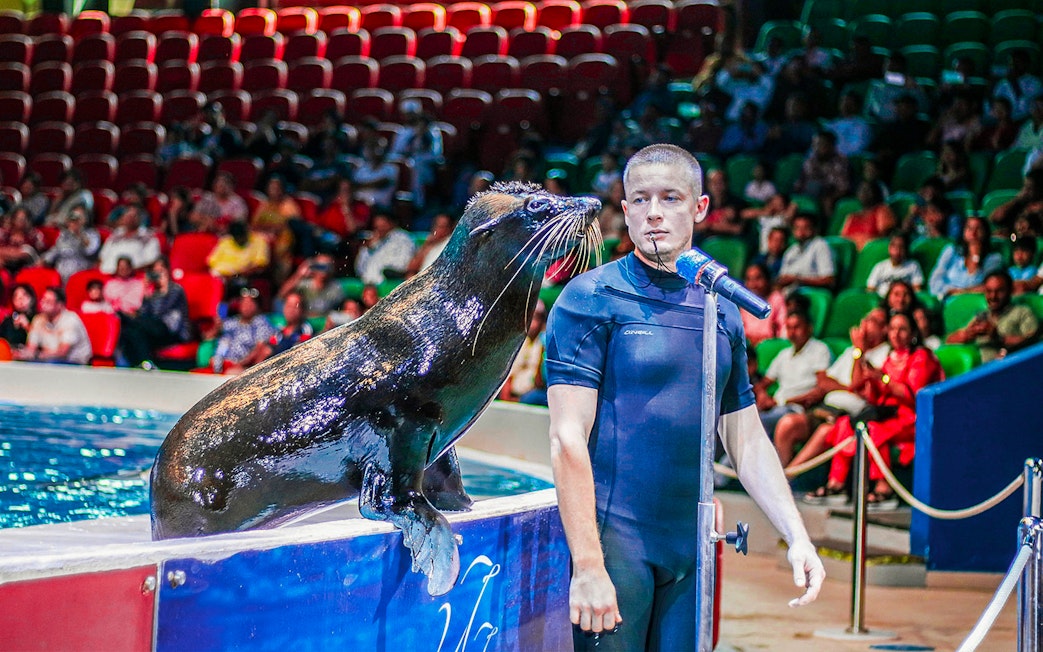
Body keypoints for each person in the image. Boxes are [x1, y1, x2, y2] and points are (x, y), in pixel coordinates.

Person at [545, 144, 824, 650]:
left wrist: (796, 533)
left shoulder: (722, 307)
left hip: (692, 550)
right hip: (616, 547)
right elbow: (567, 439)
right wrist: (587, 565)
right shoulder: (589, 299)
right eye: (640, 199)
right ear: (623, 210)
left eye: (671, 198)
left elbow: (745, 436)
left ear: (700, 208)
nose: (654, 212)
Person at [798, 311, 943, 509]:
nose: (896, 334)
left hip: (912, 418)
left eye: (902, 329)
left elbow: (912, 395)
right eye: (893, 329)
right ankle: (836, 485)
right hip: (887, 414)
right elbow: (864, 391)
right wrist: (866, 365)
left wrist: (882, 378)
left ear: (912, 333)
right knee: (843, 425)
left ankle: (885, 489)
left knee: (873, 429)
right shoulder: (889, 359)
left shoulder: (921, 357)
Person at [773, 308, 890, 466]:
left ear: (884, 329)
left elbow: (860, 385)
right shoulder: (850, 350)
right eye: (865, 319)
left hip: (850, 416)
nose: (864, 324)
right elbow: (824, 382)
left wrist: (860, 352)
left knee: (825, 431)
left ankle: (786, 478)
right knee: (787, 424)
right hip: (825, 407)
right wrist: (849, 388)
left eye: (872, 321)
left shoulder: (885, 353)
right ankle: (782, 477)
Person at [754, 310, 833, 438]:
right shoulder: (784, 354)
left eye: (797, 327)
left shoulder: (820, 350)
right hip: (775, 407)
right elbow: (763, 384)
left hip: (796, 409)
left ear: (809, 328)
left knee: (758, 422)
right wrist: (763, 396)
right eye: (789, 328)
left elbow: (820, 390)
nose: (792, 332)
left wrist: (780, 401)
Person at [946, 270, 1039, 363]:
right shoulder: (982, 316)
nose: (993, 296)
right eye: (989, 291)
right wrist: (968, 334)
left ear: (1010, 291)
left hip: (1012, 365)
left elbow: (1033, 342)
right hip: (983, 370)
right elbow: (948, 341)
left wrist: (998, 337)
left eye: (999, 291)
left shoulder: (1022, 312)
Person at [117, 258, 190, 369]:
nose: (158, 275)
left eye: (161, 271)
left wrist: (164, 289)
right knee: (131, 330)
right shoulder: (153, 292)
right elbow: (144, 313)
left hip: (172, 331)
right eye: (155, 272)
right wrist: (146, 293)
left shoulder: (176, 289)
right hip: (153, 329)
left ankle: (145, 362)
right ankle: (144, 363)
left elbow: (161, 313)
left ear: (167, 271)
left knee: (135, 323)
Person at [928, 216, 1004, 300]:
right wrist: (950, 291)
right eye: (969, 228)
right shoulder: (951, 251)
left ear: (985, 232)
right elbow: (934, 282)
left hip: (975, 302)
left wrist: (976, 258)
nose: (973, 233)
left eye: (978, 229)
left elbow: (986, 287)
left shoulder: (994, 259)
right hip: (948, 300)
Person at [13, 287, 92, 365]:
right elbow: (31, 348)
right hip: (49, 360)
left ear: (60, 305)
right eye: (43, 300)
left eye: (48, 302)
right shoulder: (38, 319)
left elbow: (62, 352)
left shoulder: (71, 319)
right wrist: (21, 354)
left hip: (75, 363)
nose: (43, 304)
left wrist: (37, 355)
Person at [209, 286, 276, 374]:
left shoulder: (261, 322)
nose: (246, 306)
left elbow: (259, 349)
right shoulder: (232, 321)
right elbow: (210, 336)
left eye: (250, 303)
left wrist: (241, 364)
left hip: (243, 367)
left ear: (257, 306)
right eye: (244, 302)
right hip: (222, 363)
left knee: (231, 373)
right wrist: (216, 328)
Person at [501, 300, 547, 405]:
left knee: (535, 398)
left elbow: (539, 381)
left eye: (536, 318)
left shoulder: (543, 342)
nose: (532, 322)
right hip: (513, 393)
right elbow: (509, 374)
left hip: (532, 393)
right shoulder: (518, 341)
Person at [776, 214, 835, 291]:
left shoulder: (820, 245)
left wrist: (798, 280)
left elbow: (829, 280)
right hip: (788, 292)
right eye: (797, 228)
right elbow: (782, 277)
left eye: (805, 228)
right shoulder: (791, 251)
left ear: (814, 229)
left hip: (809, 293)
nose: (801, 232)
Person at [97, 204, 162, 274]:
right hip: (107, 275)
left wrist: (125, 272)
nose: (129, 218)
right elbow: (102, 256)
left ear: (139, 219)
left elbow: (152, 261)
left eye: (133, 216)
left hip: (133, 277)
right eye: (127, 215)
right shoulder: (115, 235)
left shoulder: (148, 237)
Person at [41, 207, 100, 283]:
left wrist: (79, 234)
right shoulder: (64, 235)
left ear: (84, 219)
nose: (75, 222)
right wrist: (45, 259)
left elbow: (90, 251)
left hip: (80, 271)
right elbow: (56, 249)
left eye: (79, 218)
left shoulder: (92, 234)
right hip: (61, 271)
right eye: (73, 219)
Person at [354, 212, 416, 285]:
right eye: (377, 227)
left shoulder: (403, 239)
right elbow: (359, 269)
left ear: (391, 224)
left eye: (383, 226)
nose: (380, 230)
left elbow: (402, 265)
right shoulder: (373, 241)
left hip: (389, 282)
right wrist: (369, 249)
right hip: (367, 283)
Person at [277, 254, 345, 319]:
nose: (324, 271)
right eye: (321, 266)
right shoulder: (305, 285)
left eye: (328, 266)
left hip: (326, 322)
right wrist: (299, 275)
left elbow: (342, 307)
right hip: (305, 321)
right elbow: (282, 294)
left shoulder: (335, 286)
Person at [740, 262, 787, 347]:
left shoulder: (776, 299)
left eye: (758, 278)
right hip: (747, 347)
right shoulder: (746, 300)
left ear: (767, 279)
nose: (753, 284)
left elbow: (783, 333)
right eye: (749, 279)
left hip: (768, 347)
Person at [841, 181, 897, 251]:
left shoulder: (882, 210)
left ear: (876, 193)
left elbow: (886, 237)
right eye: (861, 190)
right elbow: (843, 240)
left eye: (868, 190)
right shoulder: (852, 217)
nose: (864, 193)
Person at [206, 220, 271, 280]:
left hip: (241, 277)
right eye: (237, 237)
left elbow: (260, 266)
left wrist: (236, 275)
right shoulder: (225, 241)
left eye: (242, 236)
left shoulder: (259, 242)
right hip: (219, 275)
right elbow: (211, 262)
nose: (240, 239)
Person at [405, 213, 454, 278]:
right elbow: (411, 268)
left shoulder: (451, 244)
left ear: (450, 228)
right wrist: (426, 246)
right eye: (436, 225)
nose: (438, 229)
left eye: (442, 226)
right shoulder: (430, 243)